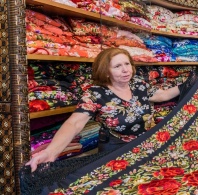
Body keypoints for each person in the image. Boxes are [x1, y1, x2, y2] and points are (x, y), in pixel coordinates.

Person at [26, 48, 182, 172]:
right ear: (106, 71)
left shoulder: (139, 85)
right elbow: (74, 124)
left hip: (147, 145)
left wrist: (193, 83)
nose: (125, 70)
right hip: (116, 149)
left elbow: (163, 95)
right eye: (117, 66)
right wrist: (51, 152)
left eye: (127, 64)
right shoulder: (96, 94)